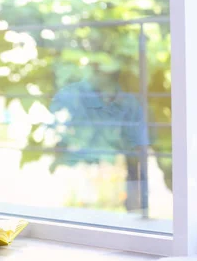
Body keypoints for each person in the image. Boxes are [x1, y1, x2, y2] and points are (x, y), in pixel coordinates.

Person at [48, 61, 150, 212]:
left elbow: (139, 148)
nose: (89, 75)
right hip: (79, 186)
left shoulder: (130, 105)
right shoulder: (75, 96)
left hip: (115, 187)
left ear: (108, 75)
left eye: (96, 71)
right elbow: (55, 112)